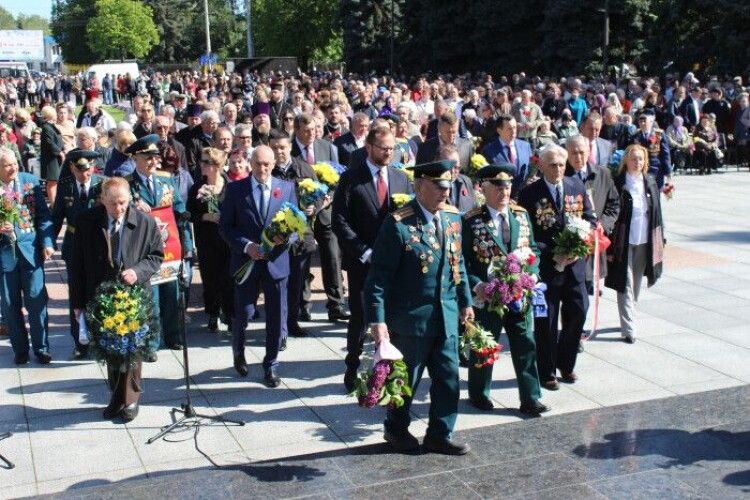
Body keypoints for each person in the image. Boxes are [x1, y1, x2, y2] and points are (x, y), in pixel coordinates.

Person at [364, 160, 474, 455]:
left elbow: (457, 262)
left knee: (449, 378)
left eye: (447, 186)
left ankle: (440, 432)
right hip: (411, 319)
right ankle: (396, 429)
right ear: (418, 185)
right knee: (406, 380)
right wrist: (378, 319)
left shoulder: (452, 218)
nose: (444, 192)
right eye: (438, 186)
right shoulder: (399, 223)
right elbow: (378, 277)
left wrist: (465, 301)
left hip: (446, 314)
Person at [70, 177, 163, 421]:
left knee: (132, 348)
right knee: (110, 349)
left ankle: (130, 399)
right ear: (102, 200)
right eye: (113, 204)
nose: (119, 209)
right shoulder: (86, 221)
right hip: (101, 296)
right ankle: (116, 396)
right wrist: (78, 303)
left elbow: (156, 256)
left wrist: (137, 272)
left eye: (123, 203)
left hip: (134, 296)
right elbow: (76, 265)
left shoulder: (144, 222)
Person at [462, 163, 549, 416]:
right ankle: (479, 393)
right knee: (484, 345)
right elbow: (463, 261)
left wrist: (531, 276)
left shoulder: (520, 215)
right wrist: (478, 285)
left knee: (525, 343)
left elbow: (532, 249)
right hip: (488, 297)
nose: (504, 192)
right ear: (484, 188)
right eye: (498, 187)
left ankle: (531, 397)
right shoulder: (471, 221)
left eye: (508, 186)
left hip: (518, 295)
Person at [332, 126, 412, 392]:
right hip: (362, 262)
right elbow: (340, 221)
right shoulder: (351, 179)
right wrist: (363, 251)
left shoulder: (401, 178)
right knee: (361, 318)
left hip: (396, 264)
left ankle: (390, 370)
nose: (388, 153)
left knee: (392, 317)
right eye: (383, 149)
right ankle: (353, 367)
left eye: (392, 149)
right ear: (369, 148)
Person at [518, 144, 596, 390]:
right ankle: (547, 370)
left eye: (562, 164)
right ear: (540, 165)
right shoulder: (529, 193)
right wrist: (553, 253)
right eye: (552, 164)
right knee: (546, 321)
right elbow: (526, 231)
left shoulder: (576, 186)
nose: (558, 169)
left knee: (579, 311)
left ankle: (566, 362)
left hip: (575, 267)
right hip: (547, 269)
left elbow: (590, 218)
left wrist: (582, 241)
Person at [219, 145, 297, 387]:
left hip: (276, 263)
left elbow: (296, 227)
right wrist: (246, 246)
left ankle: (271, 364)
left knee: (275, 316)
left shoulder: (286, 188)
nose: (262, 168)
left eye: (267, 164)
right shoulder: (235, 190)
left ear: (273, 164)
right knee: (244, 313)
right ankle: (238, 350)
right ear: (250, 164)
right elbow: (225, 227)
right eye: (258, 163)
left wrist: (284, 239)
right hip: (247, 262)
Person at [126, 134, 193, 355]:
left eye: (156, 157)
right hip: (143, 251)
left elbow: (181, 214)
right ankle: (151, 343)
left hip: (169, 248)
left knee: (171, 293)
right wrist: (134, 209)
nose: (154, 161)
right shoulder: (128, 185)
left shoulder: (166, 181)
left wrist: (187, 247)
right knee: (150, 297)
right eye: (148, 158)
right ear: (135, 158)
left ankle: (173, 336)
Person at [291, 113, 348, 322]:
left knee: (333, 256)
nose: (312, 134)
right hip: (301, 214)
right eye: (307, 130)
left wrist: (327, 200)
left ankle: (336, 304)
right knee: (303, 259)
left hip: (325, 211)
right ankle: (303, 305)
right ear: (297, 131)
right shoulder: (290, 150)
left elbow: (337, 179)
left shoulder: (327, 147)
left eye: (315, 129)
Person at [605, 144, 664, 344]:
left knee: (637, 281)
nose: (637, 162)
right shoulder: (619, 182)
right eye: (633, 158)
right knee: (625, 282)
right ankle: (629, 328)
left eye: (640, 159)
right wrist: (610, 245)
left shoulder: (650, 181)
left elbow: (657, 212)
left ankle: (628, 313)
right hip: (623, 240)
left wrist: (661, 238)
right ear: (626, 161)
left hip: (644, 239)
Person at [0, 147, 54, 365]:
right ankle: (20, 349)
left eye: (15, 163)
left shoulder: (29, 182)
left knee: (36, 301)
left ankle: (42, 348)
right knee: (10, 306)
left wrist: (47, 243)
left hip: (30, 252)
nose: (13, 168)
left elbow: (43, 216)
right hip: (5, 257)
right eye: (7, 165)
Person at [50, 149, 104, 359]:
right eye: (81, 169)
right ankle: (80, 342)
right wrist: (48, 241)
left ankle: (101, 338)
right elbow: (56, 218)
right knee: (77, 293)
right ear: (72, 167)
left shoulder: (103, 184)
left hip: (99, 244)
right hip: (74, 244)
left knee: (100, 290)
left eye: (89, 168)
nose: (86, 173)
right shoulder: (65, 187)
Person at [270, 131, 318, 339]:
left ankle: (291, 322)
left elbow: (320, 193)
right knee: (278, 283)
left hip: (301, 236)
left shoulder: (303, 167)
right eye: (275, 148)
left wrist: (313, 207)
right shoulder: (267, 170)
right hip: (277, 236)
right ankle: (278, 328)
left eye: (282, 147)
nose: (279, 152)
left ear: (289, 147)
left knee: (296, 282)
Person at [564, 134, 620, 302]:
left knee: (586, 295)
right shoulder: (562, 175)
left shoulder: (602, 174)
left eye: (582, 152)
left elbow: (614, 204)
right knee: (572, 298)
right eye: (573, 153)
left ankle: (580, 327)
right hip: (570, 246)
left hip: (593, 244)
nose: (578, 157)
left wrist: (602, 225)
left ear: (589, 152)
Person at [187, 147, 234, 333]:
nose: (201, 165)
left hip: (228, 242)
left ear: (217, 165)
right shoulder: (197, 187)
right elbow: (189, 213)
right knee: (211, 279)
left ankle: (230, 315)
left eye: (206, 162)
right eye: (201, 161)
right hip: (207, 241)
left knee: (229, 279)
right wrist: (205, 217)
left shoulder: (230, 187)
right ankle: (213, 313)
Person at [481, 114, 533, 197]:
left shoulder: (525, 146)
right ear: (499, 130)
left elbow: (530, 168)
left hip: (524, 196)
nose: (513, 132)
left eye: (515, 127)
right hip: (501, 197)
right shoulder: (488, 150)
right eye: (509, 129)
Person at [629, 111, 671, 188]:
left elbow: (665, 153)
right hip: (641, 169)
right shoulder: (635, 136)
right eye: (640, 121)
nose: (642, 124)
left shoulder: (659, 134)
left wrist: (667, 171)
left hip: (656, 169)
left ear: (651, 122)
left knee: (656, 193)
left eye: (644, 121)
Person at [439, 144, 476, 214]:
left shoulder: (466, 181)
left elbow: (474, 208)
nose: (452, 171)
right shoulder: (433, 186)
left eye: (456, 167)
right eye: (449, 167)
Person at [39, 105, 64, 205]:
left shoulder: (50, 126)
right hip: (50, 160)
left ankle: (56, 204)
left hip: (55, 158)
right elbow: (50, 143)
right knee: (52, 182)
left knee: (55, 182)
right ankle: (53, 205)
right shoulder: (46, 127)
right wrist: (60, 152)